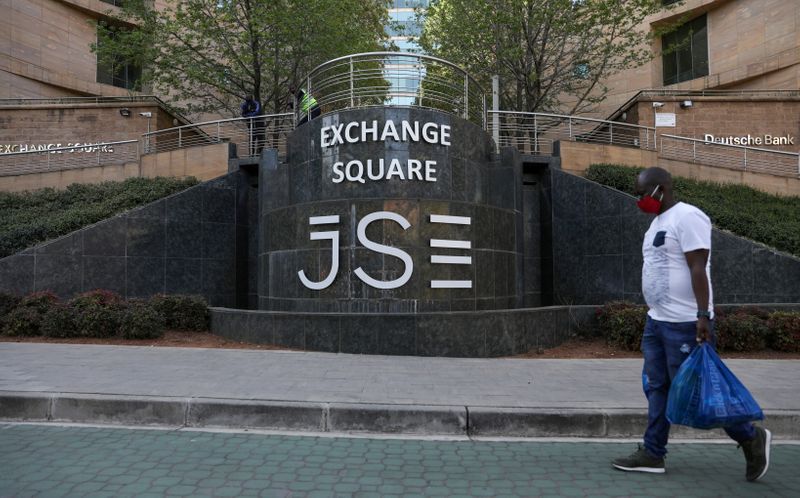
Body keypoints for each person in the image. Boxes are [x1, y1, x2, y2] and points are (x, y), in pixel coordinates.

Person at [611, 166, 771, 482]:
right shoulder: (657, 223)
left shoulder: (688, 217)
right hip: (657, 322)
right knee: (657, 388)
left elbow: (698, 268)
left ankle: (750, 437)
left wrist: (703, 315)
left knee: (700, 392)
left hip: (685, 323)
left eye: (642, 193)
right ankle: (653, 453)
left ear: (661, 189)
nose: (639, 199)